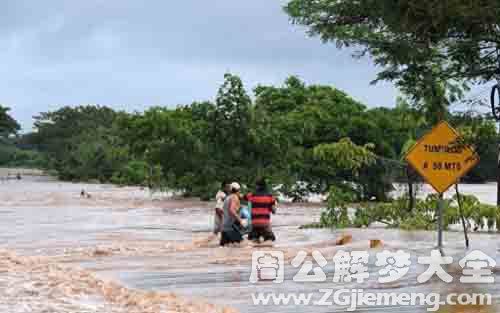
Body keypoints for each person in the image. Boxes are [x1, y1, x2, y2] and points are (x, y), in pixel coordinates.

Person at [247, 178, 277, 242]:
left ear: (257, 186)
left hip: (254, 223)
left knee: (253, 240)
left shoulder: (252, 195)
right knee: (270, 239)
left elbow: (242, 197)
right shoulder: (270, 196)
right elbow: (274, 211)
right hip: (265, 223)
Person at [220, 182, 245, 246]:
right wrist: (240, 220)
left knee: (225, 247)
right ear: (238, 190)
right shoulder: (234, 197)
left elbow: (224, 211)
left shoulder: (227, 198)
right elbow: (232, 210)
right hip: (230, 227)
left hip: (224, 227)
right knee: (243, 244)